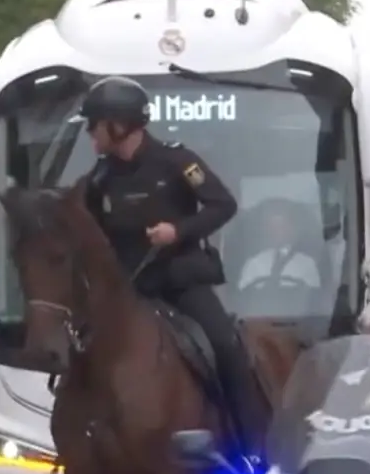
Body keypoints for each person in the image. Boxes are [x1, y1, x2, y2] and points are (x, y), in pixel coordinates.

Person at [75, 76, 263, 455]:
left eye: (94, 123)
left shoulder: (178, 160)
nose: (89, 132)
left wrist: (178, 230)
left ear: (119, 124)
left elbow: (222, 205)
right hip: (131, 288)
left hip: (181, 281)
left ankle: (250, 443)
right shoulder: (100, 177)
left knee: (225, 344)